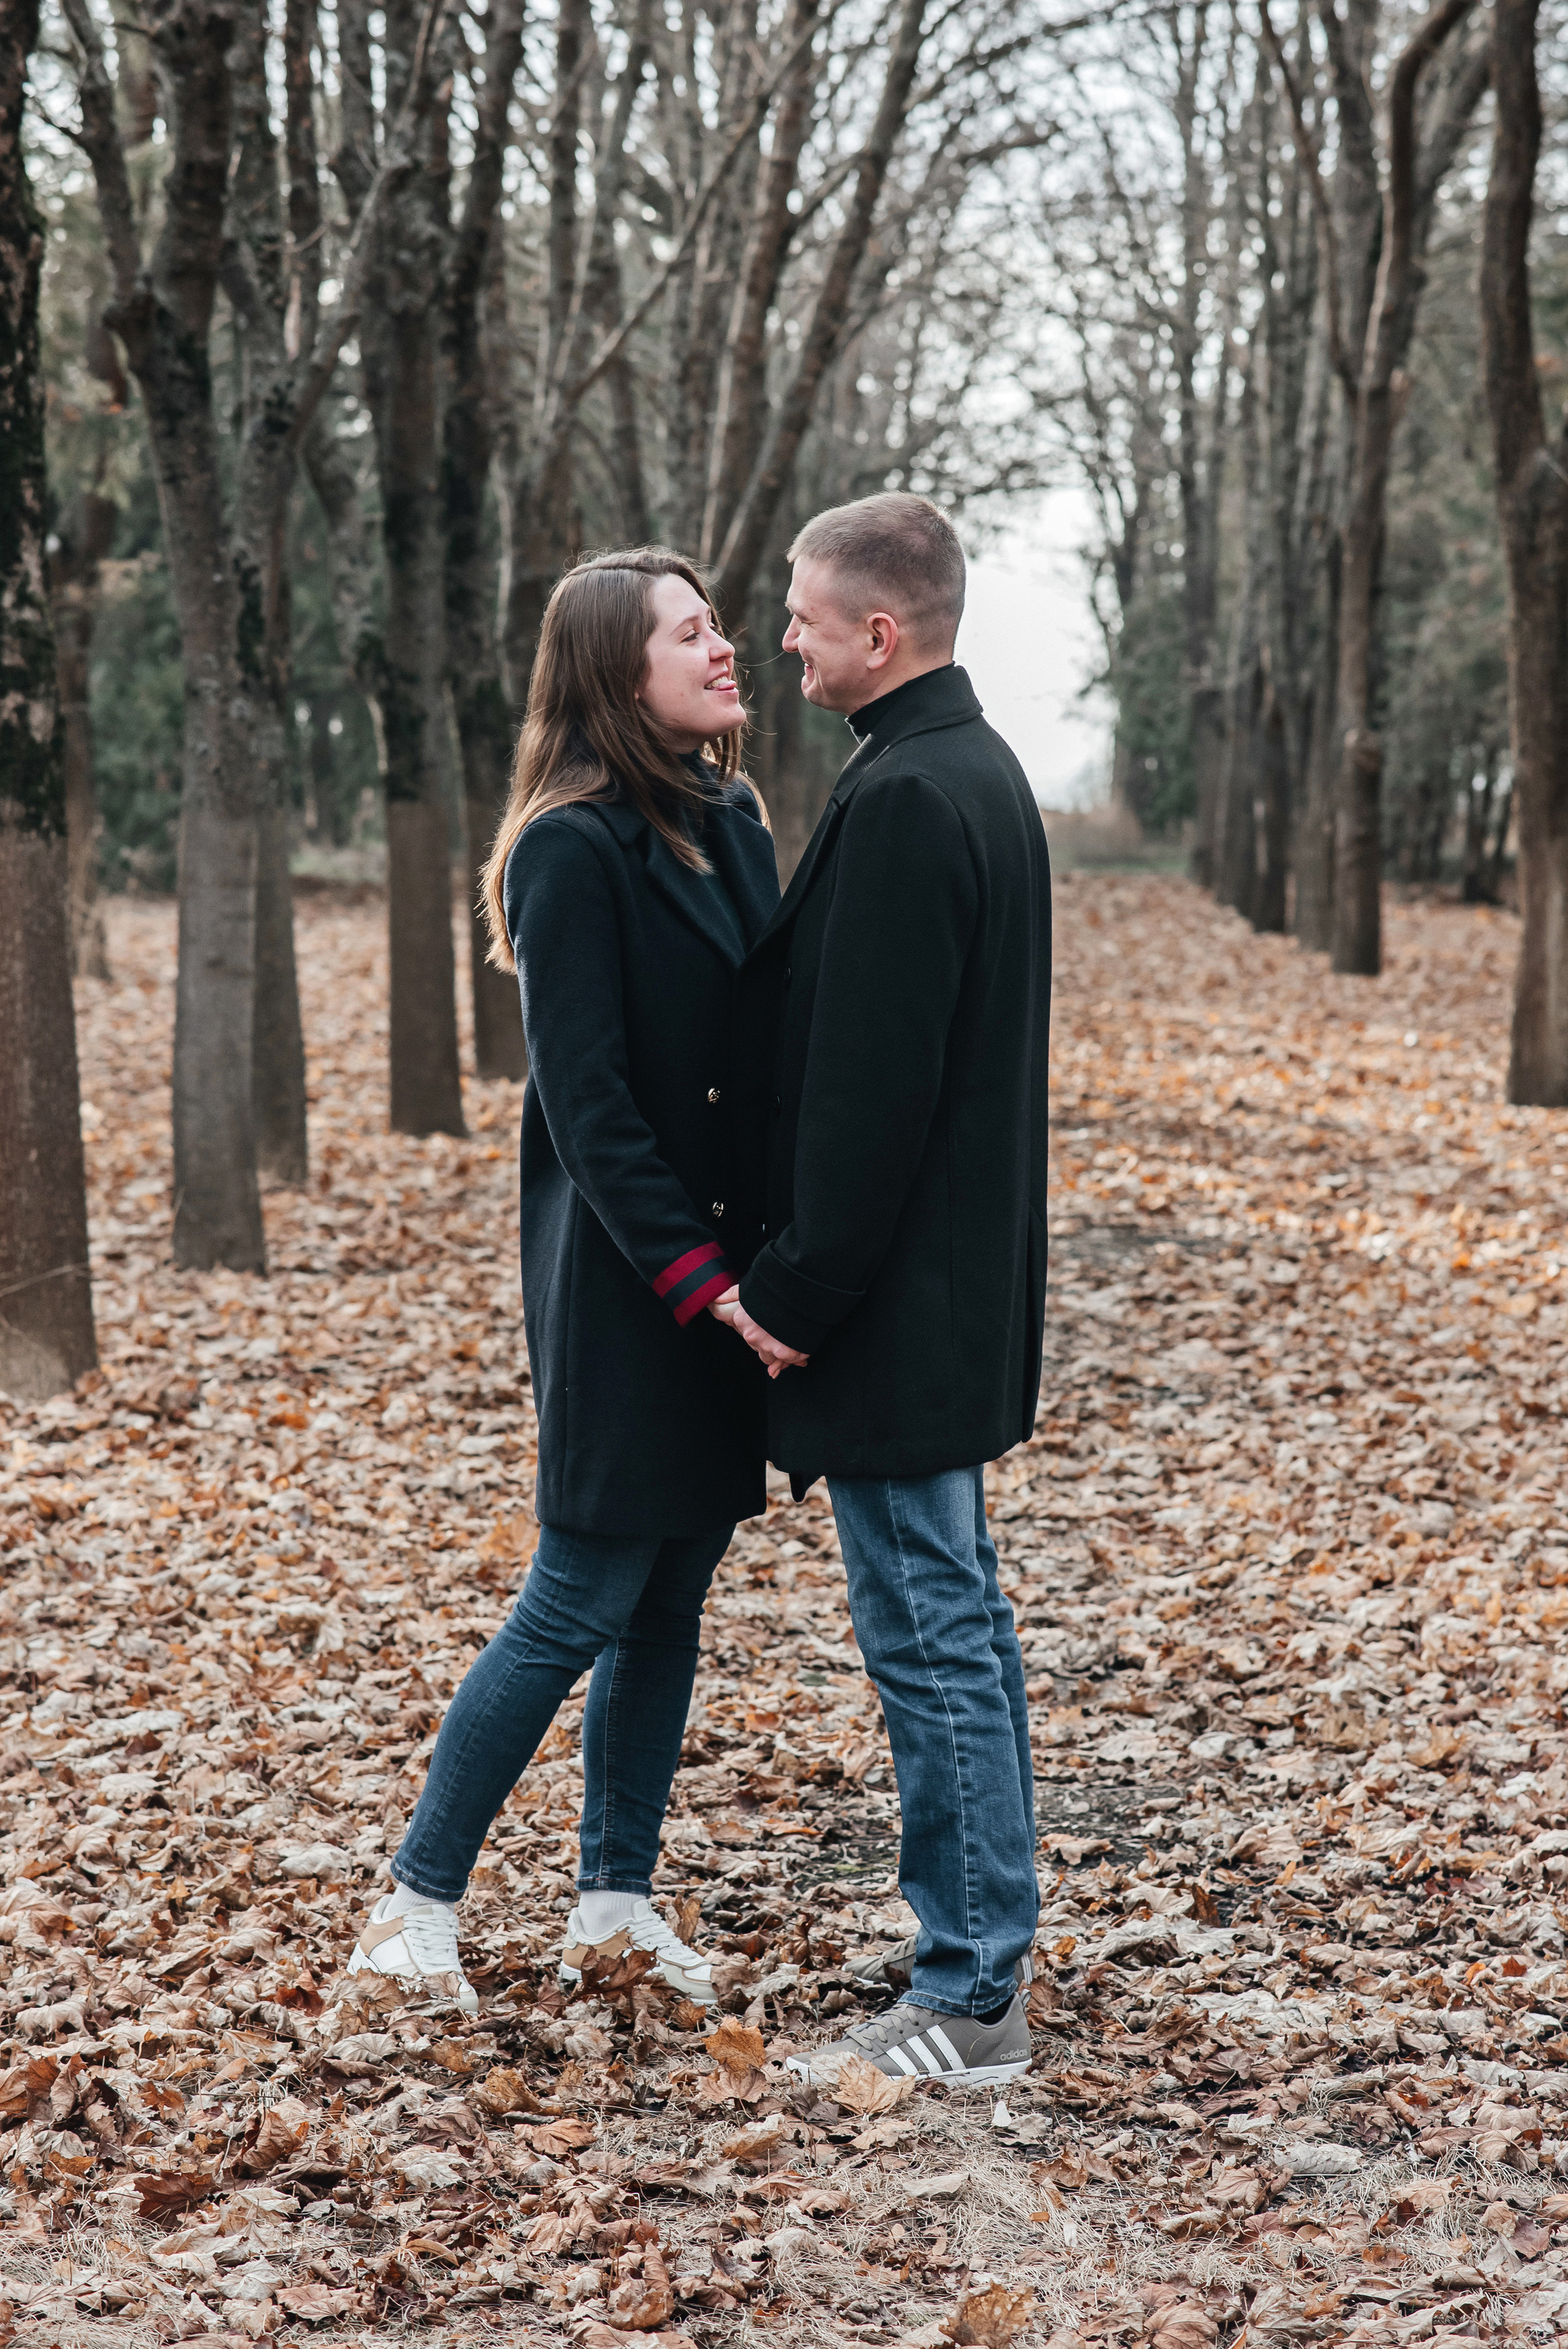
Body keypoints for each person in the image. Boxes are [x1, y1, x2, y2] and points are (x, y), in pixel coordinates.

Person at [347, 550, 780, 2014]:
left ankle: (612, 1901)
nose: (723, 647)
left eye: (718, 624)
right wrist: (698, 1279)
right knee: (578, 1593)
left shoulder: (736, 820)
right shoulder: (565, 850)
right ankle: (411, 1906)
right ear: (615, 669)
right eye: (689, 631)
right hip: (628, 1282)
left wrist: (774, 1269)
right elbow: (587, 1104)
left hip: (734, 1282)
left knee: (671, 1595)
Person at [719, 493, 1050, 2087]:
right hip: (944, 1297)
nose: (775, 633)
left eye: (799, 610)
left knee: (930, 1628)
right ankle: (979, 1942)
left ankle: (972, 1991)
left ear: (880, 630)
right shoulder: (963, 772)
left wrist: (794, 1290)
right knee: (958, 1621)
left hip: (902, 1307)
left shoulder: (919, 794)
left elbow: (872, 1091)